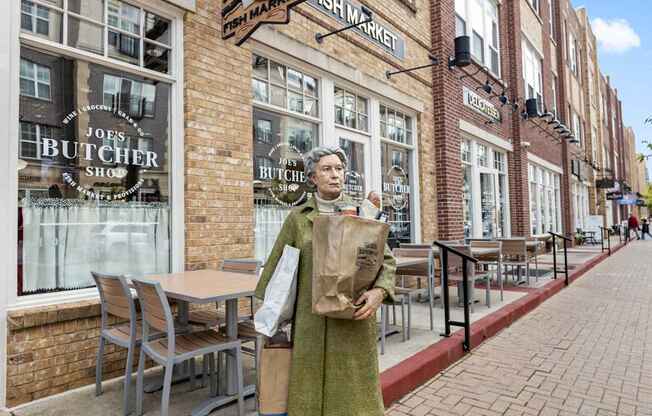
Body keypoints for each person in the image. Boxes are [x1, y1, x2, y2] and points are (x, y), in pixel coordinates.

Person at [255, 146, 396, 416]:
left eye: (339, 169)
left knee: (354, 400)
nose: (335, 175)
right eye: (327, 169)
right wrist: (271, 315)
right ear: (312, 178)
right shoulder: (298, 219)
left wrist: (380, 290)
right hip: (311, 325)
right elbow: (276, 268)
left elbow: (386, 260)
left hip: (353, 320)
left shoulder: (362, 214)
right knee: (308, 396)